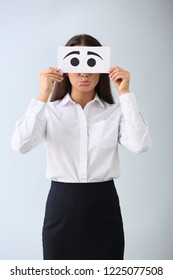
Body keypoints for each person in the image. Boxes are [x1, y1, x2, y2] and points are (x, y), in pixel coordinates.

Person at [11, 34, 152, 260]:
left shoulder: (115, 111)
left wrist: (125, 94)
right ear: (65, 68)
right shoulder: (50, 111)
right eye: (75, 63)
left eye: (92, 63)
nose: (84, 72)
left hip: (104, 206)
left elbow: (140, 145)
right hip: (61, 206)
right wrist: (43, 94)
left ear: (102, 69)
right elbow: (20, 144)